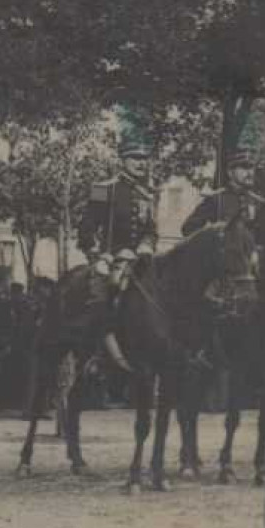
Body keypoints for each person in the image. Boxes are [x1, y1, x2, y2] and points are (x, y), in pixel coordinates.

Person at [77, 110, 159, 367]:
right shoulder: (105, 189)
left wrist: (146, 246)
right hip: (110, 258)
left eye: (144, 159)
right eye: (135, 158)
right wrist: (98, 254)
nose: (140, 163)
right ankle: (95, 353)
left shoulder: (147, 194)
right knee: (102, 295)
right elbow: (86, 228)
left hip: (140, 258)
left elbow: (151, 230)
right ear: (123, 160)